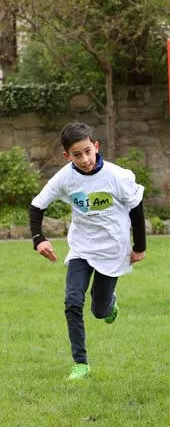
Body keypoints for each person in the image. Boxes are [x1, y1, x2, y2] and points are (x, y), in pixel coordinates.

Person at [29, 122, 146, 380]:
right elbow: (37, 206)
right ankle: (80, 363)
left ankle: (109, 305)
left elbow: (136, 208)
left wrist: (139, 247)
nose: (84, 160)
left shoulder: (117, 176)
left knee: (100, 311)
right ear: (67, 156)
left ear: (96, 146)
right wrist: (39, 239)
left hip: (113, 250)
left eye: (87, 152)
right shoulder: (65, 178)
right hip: (81, 248)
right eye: (76, 155)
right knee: (72, 302)